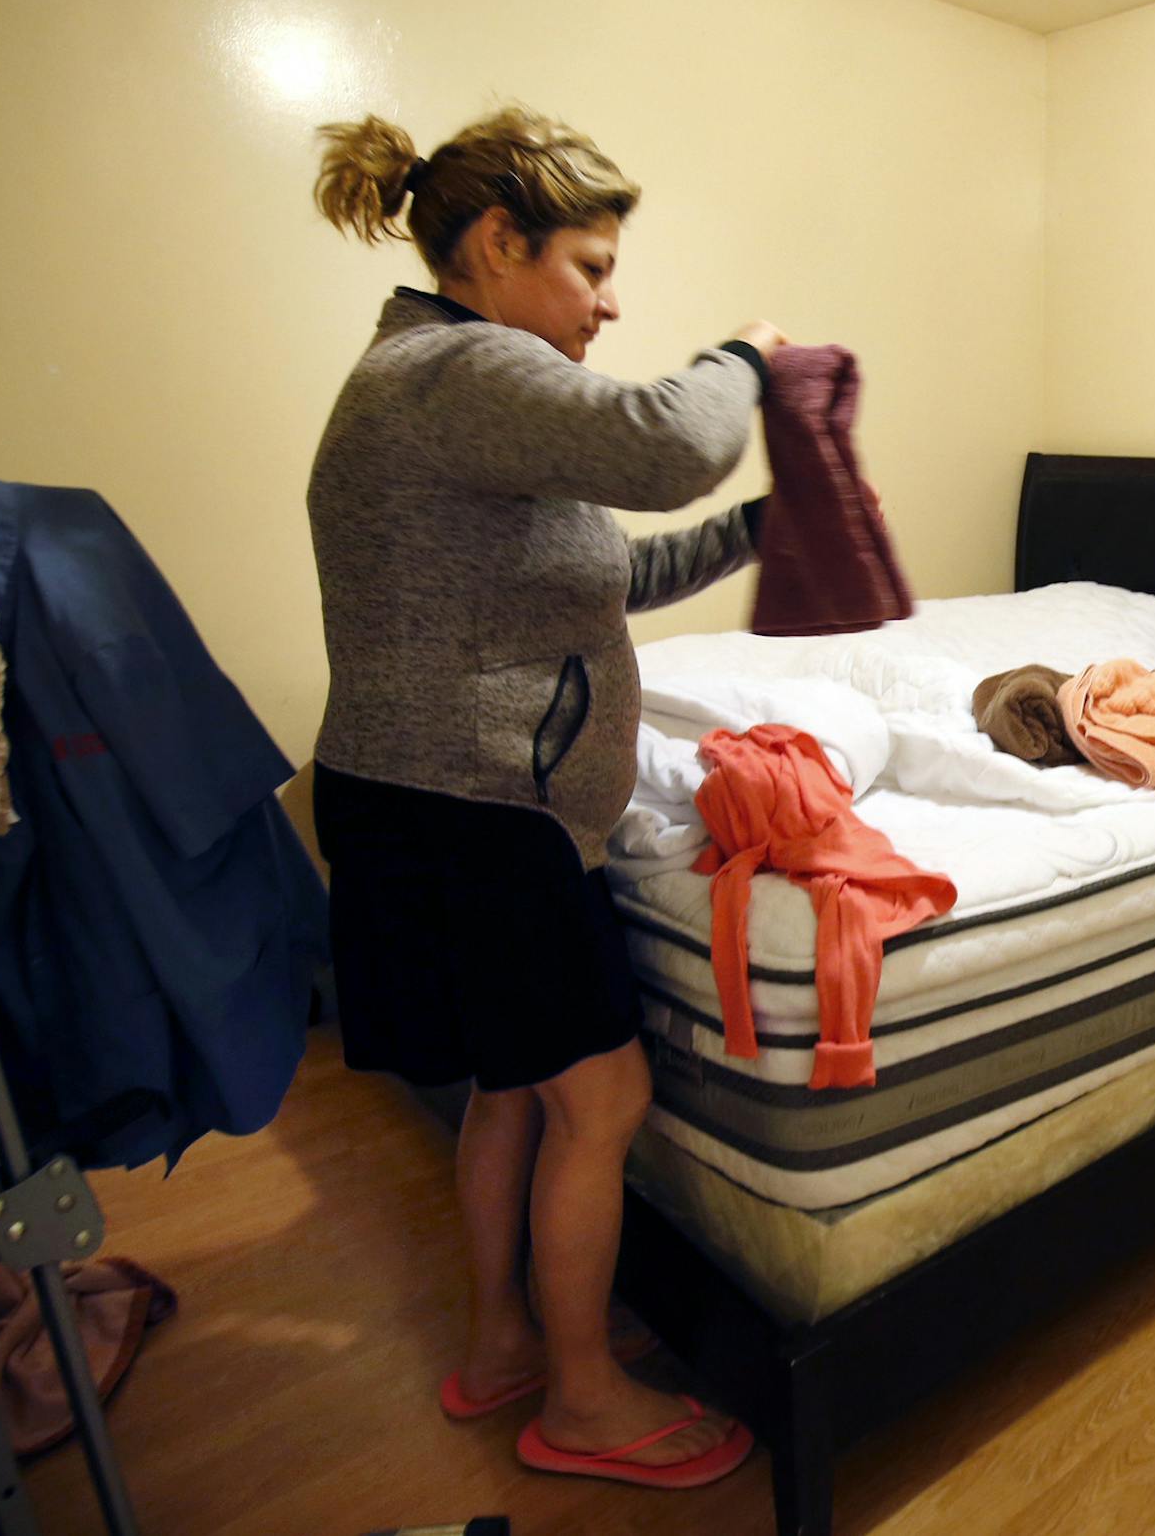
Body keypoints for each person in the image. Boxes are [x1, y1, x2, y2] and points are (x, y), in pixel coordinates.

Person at [307, 105, 783, 1488]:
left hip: (434, 804)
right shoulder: (458, 367)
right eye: (588, 264)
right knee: (603, 1097)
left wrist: (757, 533)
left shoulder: (435, 386)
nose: (611, 299)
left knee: (512, 1091)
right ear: (496, 245)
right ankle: (581, 1395)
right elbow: (670, 440)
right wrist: (747, 358)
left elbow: (601, 577)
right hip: (479, 816)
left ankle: (507, 1335)